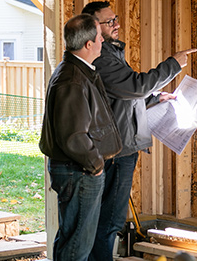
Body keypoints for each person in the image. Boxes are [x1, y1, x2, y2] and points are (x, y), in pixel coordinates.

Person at [81, 1, 196, 261]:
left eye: (116, 18)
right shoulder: (103, 58)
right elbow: (134, 86)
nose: (117, 24)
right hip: (118, 151)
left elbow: (123, 97)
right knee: (108, 222)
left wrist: (155, 98)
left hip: (121, 147)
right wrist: (173, 64)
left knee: (106, 221)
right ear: (93, 27)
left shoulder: (111, 53)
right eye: (109, 22)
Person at [39, 13, 122, 261]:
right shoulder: (72, 80)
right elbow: (74, 137)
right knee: (78, 245)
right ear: (88, 44)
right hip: (79, 172)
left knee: (72, 237)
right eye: (99, 37)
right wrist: (96, 165)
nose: (102, 42)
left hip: (78, 171)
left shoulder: (78, 71)